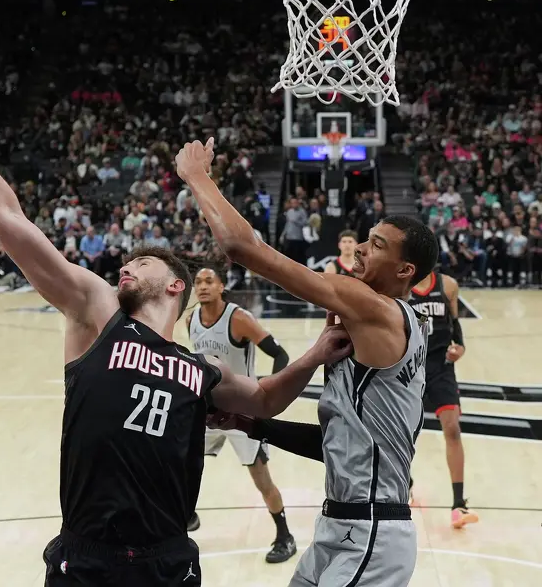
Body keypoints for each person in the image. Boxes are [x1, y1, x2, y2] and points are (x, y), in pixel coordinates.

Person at [0, 38, 354, 587]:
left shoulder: (198, 371)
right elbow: (6, 216)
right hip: (88, 557)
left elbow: (265, 399)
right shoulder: (97, 315)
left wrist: (312, 355)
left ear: (174, 288)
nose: (126, 266)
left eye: (141, 263)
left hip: (168, 562)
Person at [176, 138, 438, 587]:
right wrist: (252, 426)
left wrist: (197, 176)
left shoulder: (372, 305)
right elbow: (336, 444)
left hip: (371, 532)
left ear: (405, 271)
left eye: (375, 245)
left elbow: (242, 248)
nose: (360, 251)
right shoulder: (395, 329)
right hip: (342, 525)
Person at [186, 266, 296, 563]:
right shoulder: (190, 319)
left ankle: (285, 536)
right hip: (209, 411)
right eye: (198, 282)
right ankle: (186, 515)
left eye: (210, 281)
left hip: (243, 414)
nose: (203, 286)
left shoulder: (239, 319)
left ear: (222, 286)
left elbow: (281, 355)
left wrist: (268, 396)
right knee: (181, 459)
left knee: (261, 479)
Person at [407, 269, 478, 529]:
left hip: (441, 367)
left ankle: (459, 503)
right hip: (410, 367)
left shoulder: (448, 285)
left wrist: (460, 347)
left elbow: (455, 327)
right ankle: (406, 486)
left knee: (453, 430)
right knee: (401, 433)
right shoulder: (401, 285)